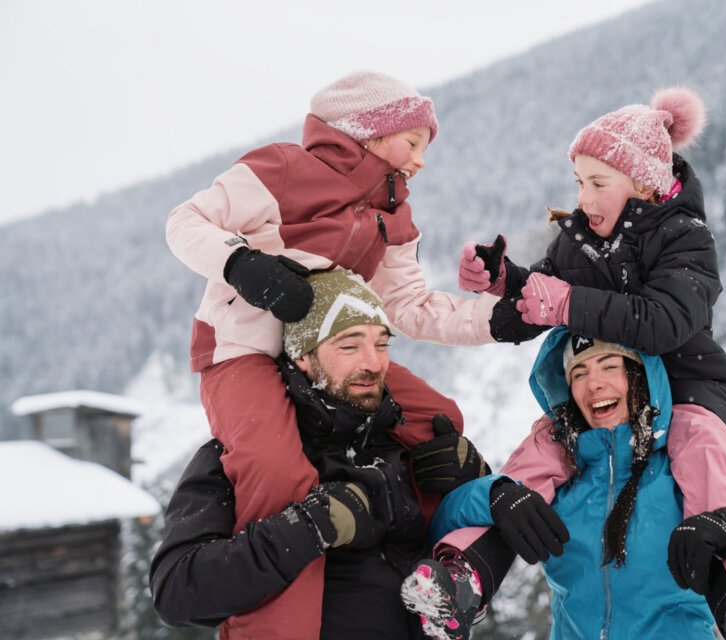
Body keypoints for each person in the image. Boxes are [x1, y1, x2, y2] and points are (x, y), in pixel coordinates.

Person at [165, 71, 500, 637]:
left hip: (336, 352)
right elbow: (185, 221)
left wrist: (503, 319)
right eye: (413, 143)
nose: (421, 161)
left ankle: (439, 577)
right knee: (276, 470)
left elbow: (408, 306)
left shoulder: (394, 211)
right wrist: (242, 265)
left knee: (440, 420)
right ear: (367, 131)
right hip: (243, 350)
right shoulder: (283, 169)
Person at [457, 87, 726, 621]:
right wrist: (502, 282)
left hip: (690, 387)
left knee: (704, 454)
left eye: (597, 183)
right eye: (578, 183)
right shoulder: (580, 240)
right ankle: (461, 576)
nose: (584, 199)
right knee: (543, 452)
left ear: (643, 184)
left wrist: (567, 302)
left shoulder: (686, 237)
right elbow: (541, 297)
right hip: (608, 392)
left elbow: (663, 323)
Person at [408, 328, 726, 639]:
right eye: (579, 373)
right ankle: (458, 595)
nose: (594, 384)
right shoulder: (558, 465)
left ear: (641, 377)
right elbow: (448, 520)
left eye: (611, 366)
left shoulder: (688, 467)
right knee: (508, 508)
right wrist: (495, 495)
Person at [150, 270, 496, 638]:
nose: (374, 362)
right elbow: (176, 592)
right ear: (303, 357)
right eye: (349, 345)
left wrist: (474, 483)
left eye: (381, 344)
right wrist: (307, 527)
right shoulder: (242, 456)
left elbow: (461, 575)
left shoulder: (407, 443)